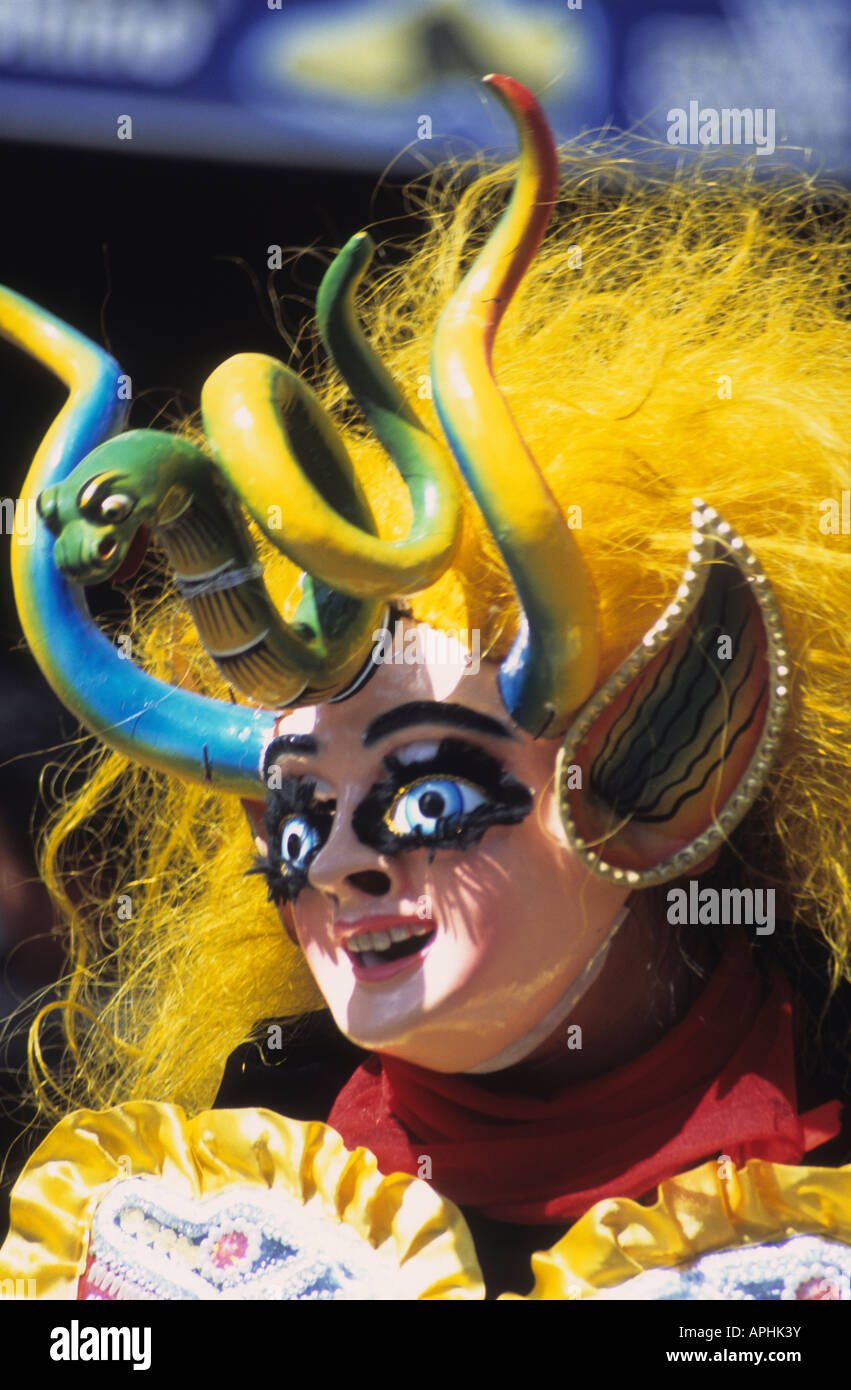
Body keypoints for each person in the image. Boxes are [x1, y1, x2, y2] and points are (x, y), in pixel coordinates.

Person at [0, 75, 849, 1301]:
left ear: (663, 772)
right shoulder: (164, 1236)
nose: (337, 862)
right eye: (296, 813)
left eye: (430, 795)